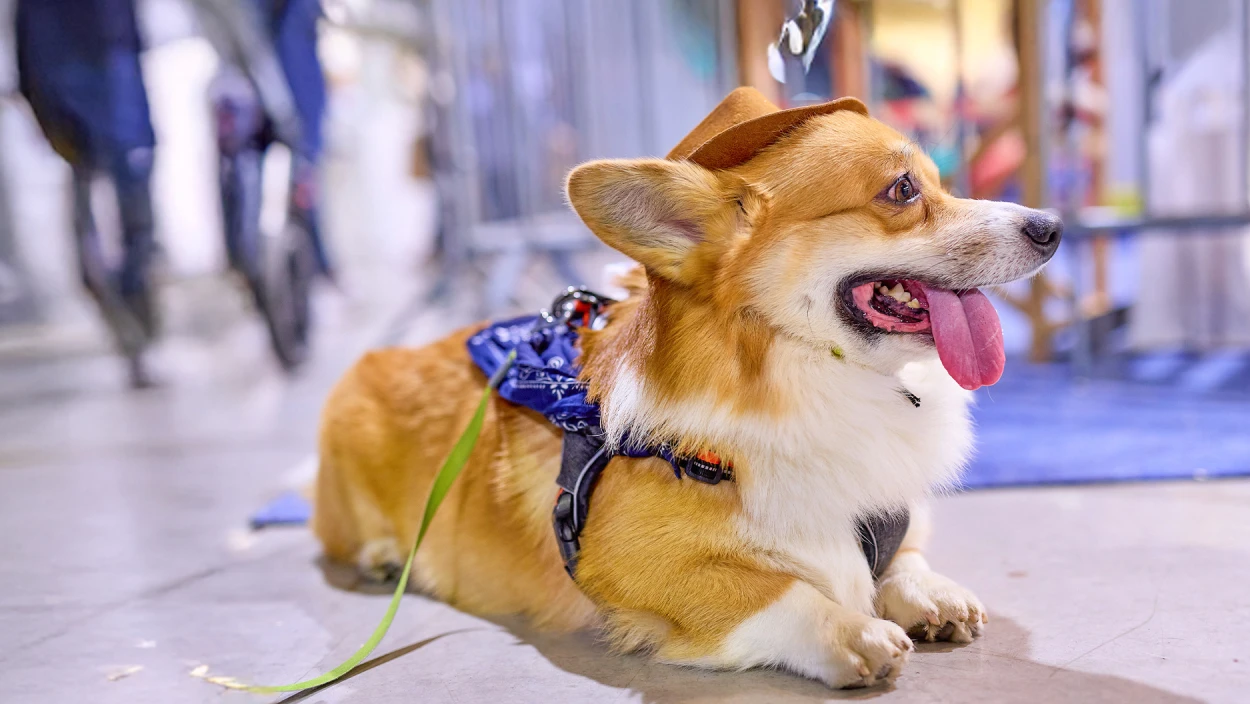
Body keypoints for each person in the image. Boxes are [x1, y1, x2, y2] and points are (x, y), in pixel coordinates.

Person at [15, 0, 159, 387]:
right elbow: (29, 57)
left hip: (120, 106)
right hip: (77, 116)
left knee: (137, 234)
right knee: (96, 246)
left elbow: (130, 39)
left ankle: (140, 338)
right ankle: (132, 340)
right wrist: (54, 126)